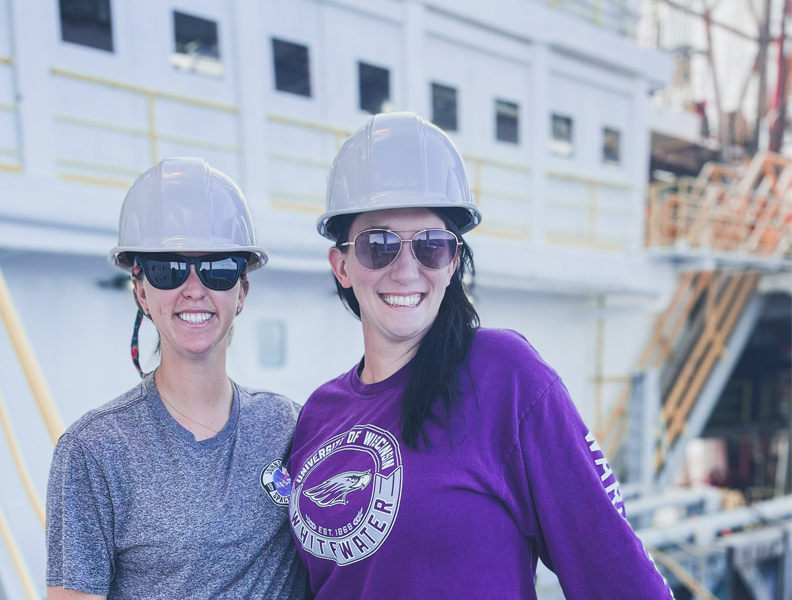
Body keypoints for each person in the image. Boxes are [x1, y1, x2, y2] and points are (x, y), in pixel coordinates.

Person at [287, 113, 675, 599]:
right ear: (342, 265)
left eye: (431, 246)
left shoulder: (504, 376)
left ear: (452, 262)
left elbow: (618, 576)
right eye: (378, 245)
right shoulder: (319, 414)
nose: (406, 270)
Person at [46, 158, 308, 600]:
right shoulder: (93, 451)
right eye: (168, 269)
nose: (194, 289)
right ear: (141, 289)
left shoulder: (289, 424)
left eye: (218, 268)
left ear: (241, 291)